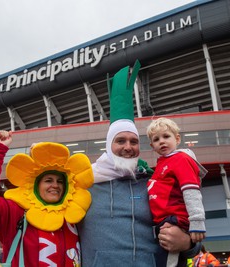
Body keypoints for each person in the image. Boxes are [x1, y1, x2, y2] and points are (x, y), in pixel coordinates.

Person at [78, 60, 199, 267]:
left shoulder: (154, 183)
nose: (128, 147)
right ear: (108, 145)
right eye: (120, 141)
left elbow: (190, 226)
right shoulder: (83, 184)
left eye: (134, 141)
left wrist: (187, 243)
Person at [0, 130, 93, 267]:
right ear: (36, 184)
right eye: (48, 180)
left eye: (60, 181)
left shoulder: (74, 215)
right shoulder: (16, 213)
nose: (55, 185)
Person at [146, 117, 207, 266]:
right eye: (156, 139)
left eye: (166, 136)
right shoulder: (161, 164)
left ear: (177, 138)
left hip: (173, 221)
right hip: (164, 223)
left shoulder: (180, 159)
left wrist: (197, 221)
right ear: (152, 146)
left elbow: (191, 190)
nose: (161, 141)